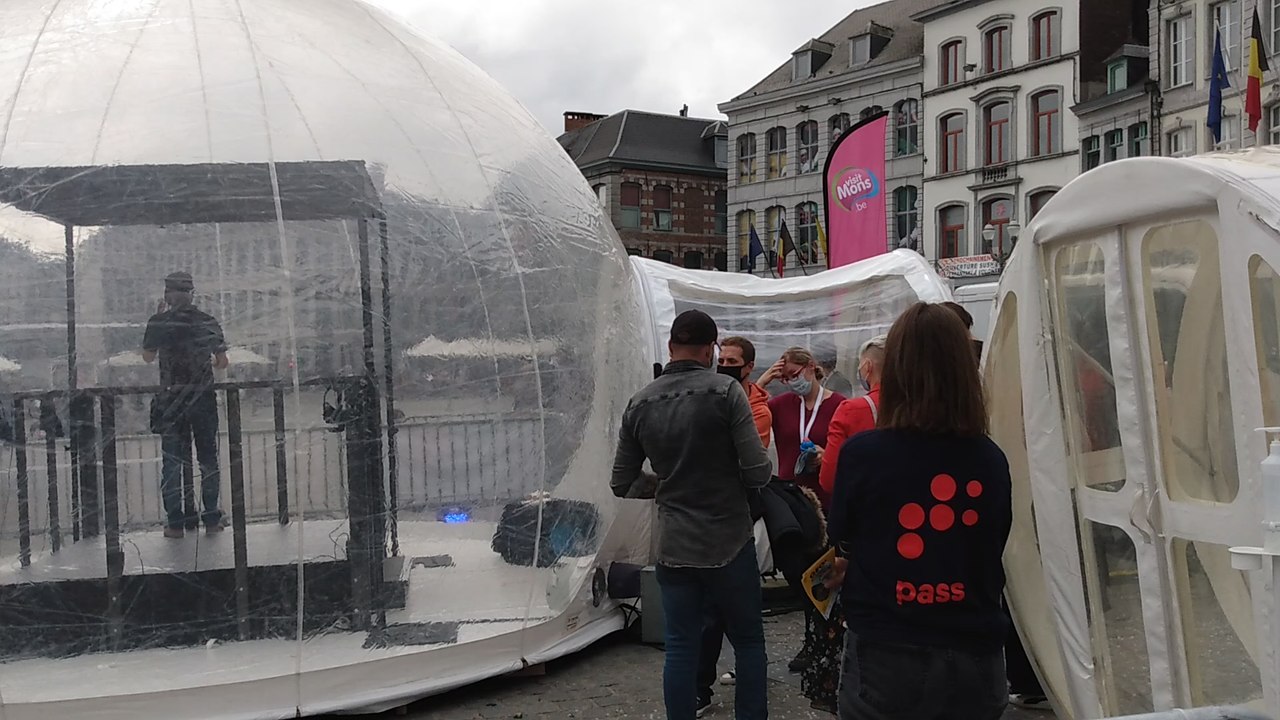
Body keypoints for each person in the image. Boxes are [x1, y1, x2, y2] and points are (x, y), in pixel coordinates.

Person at [825, 302, 1012, 720]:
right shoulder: (989, 459)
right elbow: (994, 541)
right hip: (973, 649)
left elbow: (843, 532)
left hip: (887, 647)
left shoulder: (864, 454)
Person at [612, 310, 772, 720]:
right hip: (729, 541)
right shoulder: (727, 392)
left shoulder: (640, 402)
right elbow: (758, 471)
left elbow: (621, 483)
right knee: (749, 643)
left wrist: (665, 485)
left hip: (675, 544)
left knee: (681, 646)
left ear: (670, 348)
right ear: (710, 350)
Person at [943, 303, 1047, 708]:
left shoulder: (969, 367)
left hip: (978, 483)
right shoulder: (993, 360)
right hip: (1008, 478)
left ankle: (1022, 675)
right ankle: (1026, 675)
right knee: (1012, 579)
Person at [792, 334, 886, 713]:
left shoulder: (850, 410)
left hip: (863, 535)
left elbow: (832, 480)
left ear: (866, 368)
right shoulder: (928, 405)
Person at [695, 335, 772, 714]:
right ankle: (702, 686)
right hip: (711, 513)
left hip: (741, 516)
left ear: (747, 367)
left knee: (736, 614)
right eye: (720, 357)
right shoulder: (711, 397)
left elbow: (744, 463)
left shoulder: (757, 409)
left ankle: (743, 692)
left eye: (731, 360)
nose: (723, 364)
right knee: (710, 612)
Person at [757, 346, 845, 676]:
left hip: (826, 498)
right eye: (786, 377)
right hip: (793, 500)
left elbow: (848, 446)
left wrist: (827, 454)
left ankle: (825, 642)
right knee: (798, 573)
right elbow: (746, 410)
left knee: (825, 576)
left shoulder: (839, 405)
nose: (791, 382)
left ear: (811, 368)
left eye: (794, 375)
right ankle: (815, 639)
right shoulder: (781, 405)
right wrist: (765, 379)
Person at [143, 271, 229, 539]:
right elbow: (222, 361)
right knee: (207, 460)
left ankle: (175, 522)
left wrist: (157, 319)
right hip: (202, 398)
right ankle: (212, 518)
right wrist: (209, 363)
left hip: (170, 400)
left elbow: (147, 357)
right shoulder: (207, 321)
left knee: (172, 462)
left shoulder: (158, 321)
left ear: (167, 295)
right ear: (192, 294)